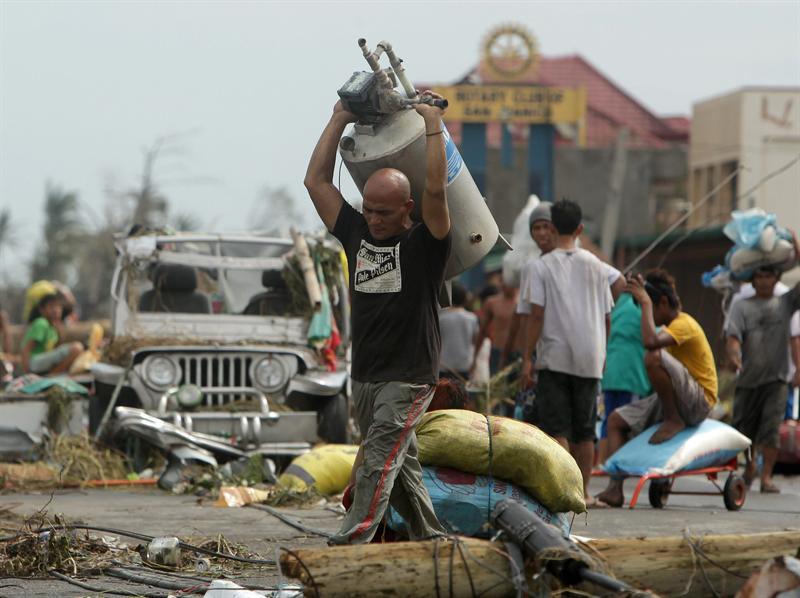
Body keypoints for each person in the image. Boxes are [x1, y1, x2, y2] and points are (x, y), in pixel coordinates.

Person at [304, 94, 448, 545]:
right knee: (400, 465)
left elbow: (439, 191)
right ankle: (432, 539)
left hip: (409, 375)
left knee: (376, 460)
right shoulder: (355, 233)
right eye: (368, 209)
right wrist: (338, 119)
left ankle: (352, 539)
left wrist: (432, 126)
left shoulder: (427, 244)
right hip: (366, 373)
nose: (373, 219)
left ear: (408, 209)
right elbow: (315, 182)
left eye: (383, 212)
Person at [519, 199, 614, 508]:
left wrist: (526, 358)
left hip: (555, 357)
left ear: (554, 227)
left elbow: (536, 314)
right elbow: (607, 316)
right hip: (591, 358)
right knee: (585, 431)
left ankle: (565, 490)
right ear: (580, 229)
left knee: (558, 428)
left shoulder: (540, 266)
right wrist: (602, 351)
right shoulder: (597, 266)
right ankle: (585, 493)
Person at [596, 269, 718, 507]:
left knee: (653, 356)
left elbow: (650, 343)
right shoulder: (669, 328)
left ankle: (673, 419)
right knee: (615, 420)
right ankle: (614, 489)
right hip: (677, 396)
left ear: (662, 302)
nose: (645, 314)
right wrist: (642, 289)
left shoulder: (685, 324)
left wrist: (644, 300)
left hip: (699, 401)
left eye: (649, 307)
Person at [726, 260, 800, 493]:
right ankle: (750, 466)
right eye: (760, 276)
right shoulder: (741, 306)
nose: (764, 280)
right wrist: (734, 355)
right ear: (752, 279)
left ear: (776, 278)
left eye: (769, 276)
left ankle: (766, 476)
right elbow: (733, 336)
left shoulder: (785, 302)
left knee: (770, 430)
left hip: (777, 379)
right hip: (748, 379)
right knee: (744, 430)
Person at [598, 292, 652, 462]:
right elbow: (653, 335)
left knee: (608, 420)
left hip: (609, 375)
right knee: (626, 421)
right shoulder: (639, 311)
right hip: (630, 376)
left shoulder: (615, 309)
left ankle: (602, 462)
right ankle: (621, 463)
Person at [20, 294, 82, 375]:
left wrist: (59, 329)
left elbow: (55, 349)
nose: (56, 310)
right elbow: (26, 349)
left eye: (58, 307)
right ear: (42, 310)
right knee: (76, 348)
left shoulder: (53, 327)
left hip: (43, 362)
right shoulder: (42, 323)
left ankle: (54, 374)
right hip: (34, 362)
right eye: (51, 307)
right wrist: (27, 372)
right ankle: (52, 375)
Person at [471, 282, 525, 376]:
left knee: (519, 388)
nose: (504, 285)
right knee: (497, 386)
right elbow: (482, 331)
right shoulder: (492, 302)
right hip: (498, 351)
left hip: (519, 352)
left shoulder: (525, 302)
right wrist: (475, 357)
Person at [439, 283, 479, 381]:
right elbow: (475, 341)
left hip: (444, 365)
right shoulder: (472, 318)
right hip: (464, 364)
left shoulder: (441, 318)